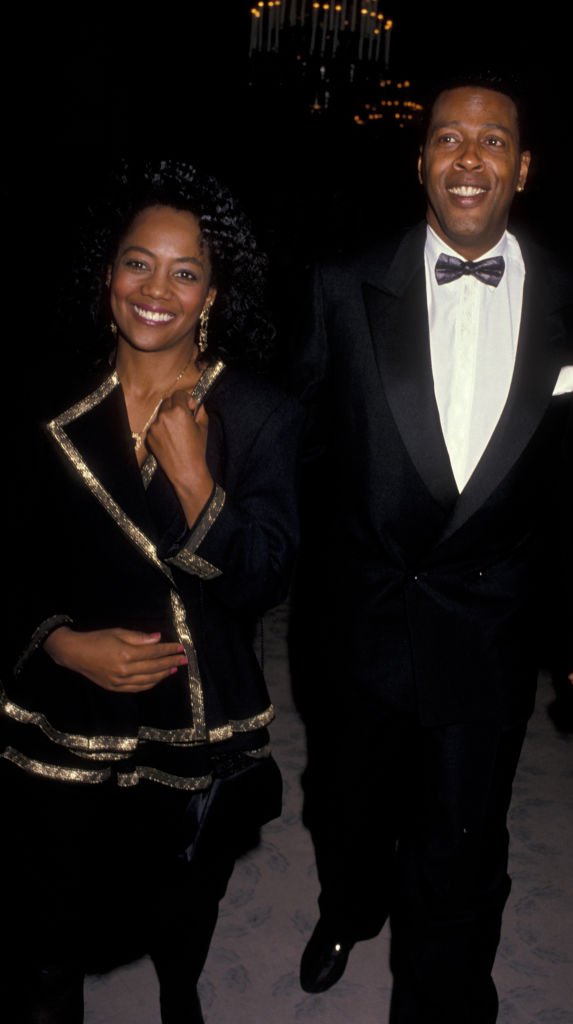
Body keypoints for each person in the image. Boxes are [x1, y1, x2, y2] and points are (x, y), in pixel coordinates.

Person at [291, 73, 573, 1023]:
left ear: (523, 166)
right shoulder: (339, 284)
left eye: (491, 140)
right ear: (421, 161)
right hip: (360, 623)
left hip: (491, 621)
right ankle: (348, 908)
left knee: (464, 841)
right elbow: (294, 445)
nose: (468, 156)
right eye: (447, 138)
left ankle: (446, 999)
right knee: (347, 810)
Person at [0, 161, 303, 1023]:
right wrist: (60, 640)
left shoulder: (259, 414)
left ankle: (180, 993)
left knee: (179, 906)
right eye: (138, 263)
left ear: (212, 291)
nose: (155, 290)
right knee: (47, 934)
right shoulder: (47, 403)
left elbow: (267, 577)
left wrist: (198, 485)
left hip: (195, 713)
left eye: (185, 271)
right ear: (107, 274)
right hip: (64, 707)